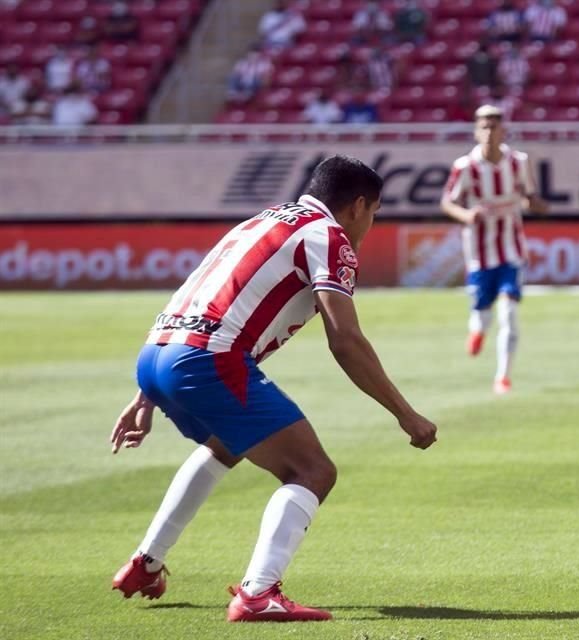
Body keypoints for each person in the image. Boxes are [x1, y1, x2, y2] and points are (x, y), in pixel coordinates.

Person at [110, 155, 438, 622]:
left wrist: (145, 393)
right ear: (358, 205)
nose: (370, 224)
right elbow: (345, 340)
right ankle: (257, 593)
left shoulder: (260, 221)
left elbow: (201, 295)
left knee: (225, 446)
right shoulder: (329, 236)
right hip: (207, 359)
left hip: (158, 353)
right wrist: (405, 413)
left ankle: (146, 563)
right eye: (375, 213)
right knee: (313, 471)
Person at [440, 105, 548, 394]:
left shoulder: (519, 162)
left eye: (494, 126)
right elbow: (448, 202)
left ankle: (503, 376)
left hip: (512, 249)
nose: (488, 132)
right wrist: (466, 216)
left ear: (502, 131)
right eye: (484, 126)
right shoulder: (465, 166)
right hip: (479, 252)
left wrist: (536, 205)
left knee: (509, 313)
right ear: (476, 131)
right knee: (483, 313)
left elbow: (530, 196)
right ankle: (477, 330)